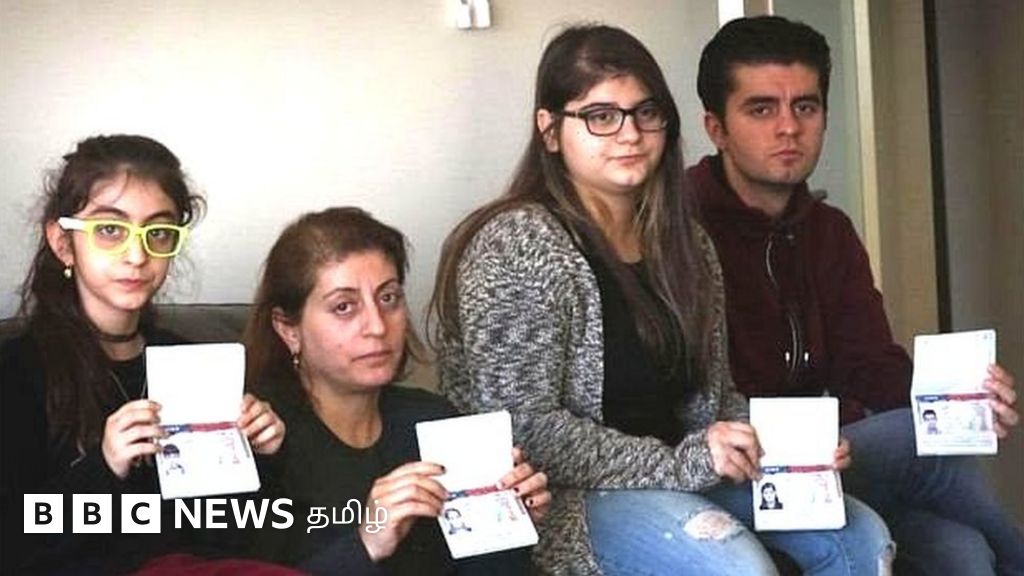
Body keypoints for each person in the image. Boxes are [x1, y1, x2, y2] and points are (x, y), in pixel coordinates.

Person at [431, 24, 892, 575]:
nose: (629, 133)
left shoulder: (685, 241)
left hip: (682, 471)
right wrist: (684, 463)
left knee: (861, 536)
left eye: (646, 113)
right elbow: (524, 428)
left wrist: (794, 449)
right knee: (735, 566)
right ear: (550, 131)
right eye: (601, 116)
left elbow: (717, 399)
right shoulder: (518, 244)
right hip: (570, 497)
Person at [687, 15, 1024, 576]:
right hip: (737, 466)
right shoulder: (679, 230)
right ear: (717, 128)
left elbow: (872, 369)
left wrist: (961, 404)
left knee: (962, 551)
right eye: (762, 109)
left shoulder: (829, 231)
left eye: (806, 106)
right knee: (914, 439)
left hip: (834, 458)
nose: (789, 128)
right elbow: (686, 397)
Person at [0, 134, 293, 575]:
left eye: (157, 232)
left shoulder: (192, 364)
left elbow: (228, 531)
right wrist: (104, 466)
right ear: (63, 243)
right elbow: (12, 544)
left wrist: (260, 456)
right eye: (110, 230)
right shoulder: (17, 373)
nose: (137, 255)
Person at [243, 207, 550, 575]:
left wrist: (512, 526)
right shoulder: (256, 440)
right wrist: (368, 542)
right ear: (288, 329)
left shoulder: (434, 419)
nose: (377, 326)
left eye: (388, 298)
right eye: (344, 307)